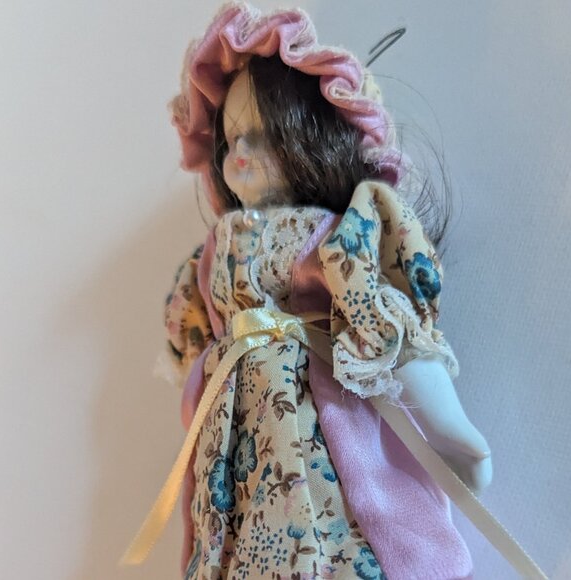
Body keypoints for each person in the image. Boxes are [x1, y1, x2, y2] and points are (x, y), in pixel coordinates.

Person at [154, 3, 493, 578]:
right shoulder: (209, 259)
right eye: (232, 141)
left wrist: (446, 423)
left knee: (331, 520)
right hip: (237, 439)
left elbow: (381, 323)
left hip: (314, 416)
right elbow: (197, 356)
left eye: (263, 137)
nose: (240, 155)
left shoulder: (334, 240)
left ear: (313, 139)